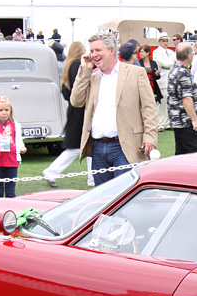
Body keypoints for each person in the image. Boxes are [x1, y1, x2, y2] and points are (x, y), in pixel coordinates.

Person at [70, 31, 158, 184]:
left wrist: (150, 137)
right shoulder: (92, 77)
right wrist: (85, 69)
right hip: (98, 148)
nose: (94, 54)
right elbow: (76, 101)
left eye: (98, 50)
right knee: (103, 199)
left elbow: (149, 107)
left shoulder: (136, 73)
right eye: (91, 51)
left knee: (124, 196)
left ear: (112, 51)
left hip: (125, 146)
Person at [43, 41, 87, 188]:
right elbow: (78, 87)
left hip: (76, 109)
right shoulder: (76, 65)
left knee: (85, 146)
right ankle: (51, 171)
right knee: (76, 147)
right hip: (79, 110)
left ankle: (92, 177)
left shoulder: (69, 65)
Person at [167, 42, 197, 155]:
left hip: (177, 121)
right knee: (194, 153)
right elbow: (186, 98)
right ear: (188, 55)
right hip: (185, 121)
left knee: (180, 154)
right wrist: (195, 120)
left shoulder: (174, 70)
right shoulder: (183, 72)